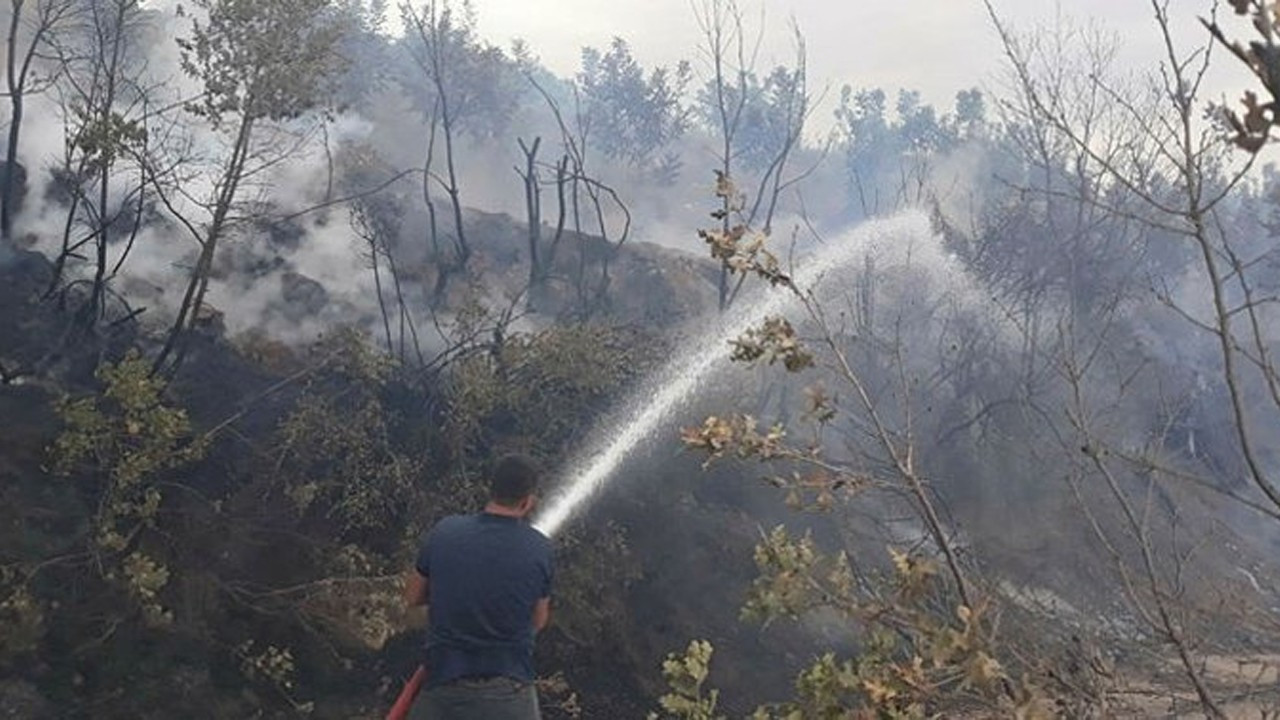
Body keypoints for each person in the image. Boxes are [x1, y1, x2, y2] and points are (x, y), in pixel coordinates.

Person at [403, 453, 554, 720]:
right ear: (528, 501)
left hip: (444, 686)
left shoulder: (445, 532)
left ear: (490, 489)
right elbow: (539, 620)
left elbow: (413, 596)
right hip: (509, 691)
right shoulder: (539, 548)